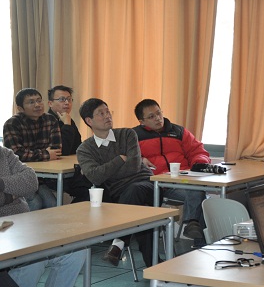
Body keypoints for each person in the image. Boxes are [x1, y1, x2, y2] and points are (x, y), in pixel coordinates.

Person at [0, 145, 85, 287]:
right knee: (34, 260)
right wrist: (11, 195)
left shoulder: (4, 154)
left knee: (76, 251)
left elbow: (31, 181)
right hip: (5, 233)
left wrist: (1, 184)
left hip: (23, 226)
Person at [76, 98, 156, 267]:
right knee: (142, 213)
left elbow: (134, 167)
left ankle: (118, 243)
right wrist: (119, 159)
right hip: (118, 194)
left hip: (146, 184)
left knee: (135, 192)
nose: (107, 116)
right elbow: (95, 177)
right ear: (89, 121)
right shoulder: (85, 149)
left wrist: (105, 171)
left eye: (108, 111)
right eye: (101, 113)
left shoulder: (127, 134)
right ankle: (153, 265)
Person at [133, 99, 209, 242]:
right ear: (141, 121)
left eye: (159, 113)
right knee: (200, 197)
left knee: (198, 192)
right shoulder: (134, 136)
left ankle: (191, 224)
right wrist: (141, 159)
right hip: (161, 185)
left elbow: (197, 151)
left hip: (184, 179)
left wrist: (199, 164)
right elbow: (127, 157)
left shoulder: (179, 132)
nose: (158, 118)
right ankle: (196, 235)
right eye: (151, 116)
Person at [3, 88, 61, 210]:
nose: (37, 105)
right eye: (31, 102)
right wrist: (45, 154)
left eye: (39, 101)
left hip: (43, 177)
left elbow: (56, 150)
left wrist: (32, 154)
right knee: (35, 202)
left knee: (51, 203)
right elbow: (17, 154)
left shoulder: (50, 120)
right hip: (20, 177)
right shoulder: (12, 124)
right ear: (20, 108)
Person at [46, 85, 93, 202]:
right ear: (50, 103)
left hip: (70, 170)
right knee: (90, 190)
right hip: (52, 175)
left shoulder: (66, 118)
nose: (67, 103)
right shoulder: (47, 121)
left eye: (69, 99)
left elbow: (78, 146)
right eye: (62, 99)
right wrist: (67, 124)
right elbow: (63, 150)